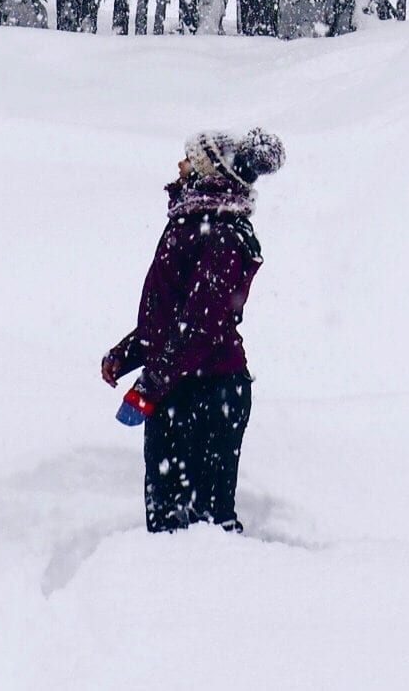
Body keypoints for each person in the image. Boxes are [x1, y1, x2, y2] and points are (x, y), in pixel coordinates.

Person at [102, 128, 286, 533]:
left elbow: (201, 327)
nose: (179, 165)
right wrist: (128, 354)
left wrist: (150, 384)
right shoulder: (190, 223)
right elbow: (170, 317)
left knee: (207, 528)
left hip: (210, 393)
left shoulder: (222, 236)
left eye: (188, 159)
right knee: (167, 523)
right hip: (179, 388)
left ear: (208, 173)